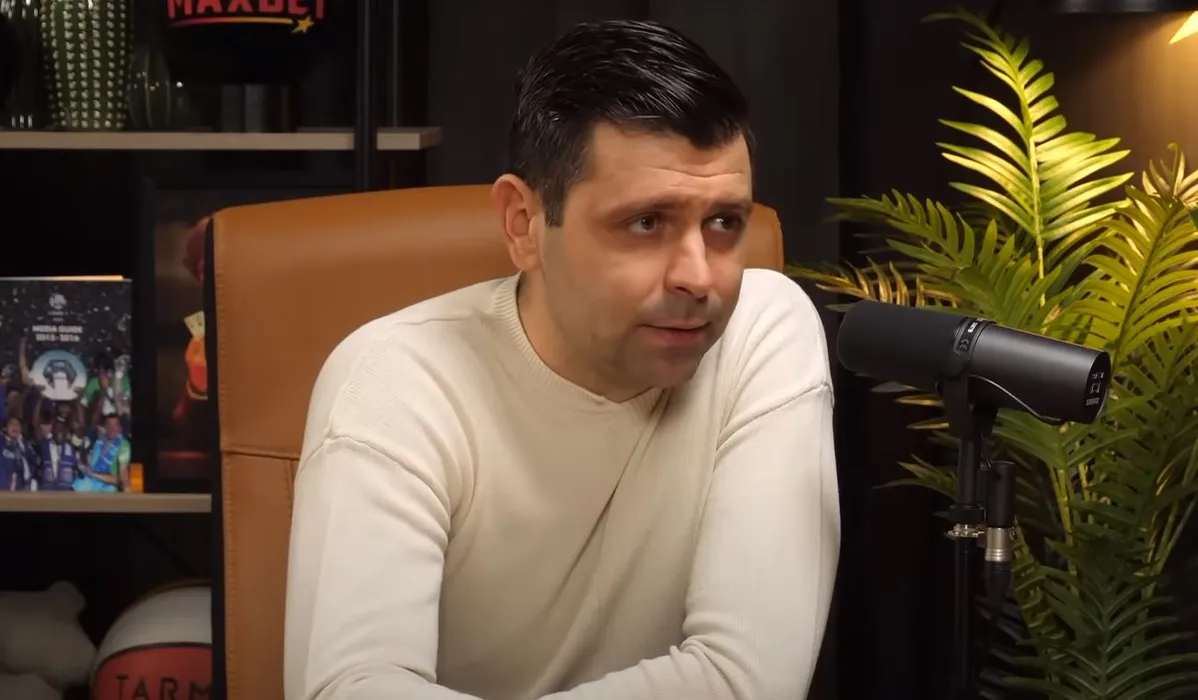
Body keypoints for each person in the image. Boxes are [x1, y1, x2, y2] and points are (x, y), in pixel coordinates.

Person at [283, 19, 839, 700]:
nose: (700, 277)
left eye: (724, 222)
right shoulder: (396, 379)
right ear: (522, 223)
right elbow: (352, 689)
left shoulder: (761, 328)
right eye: (646, 223)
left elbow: (747, 681)